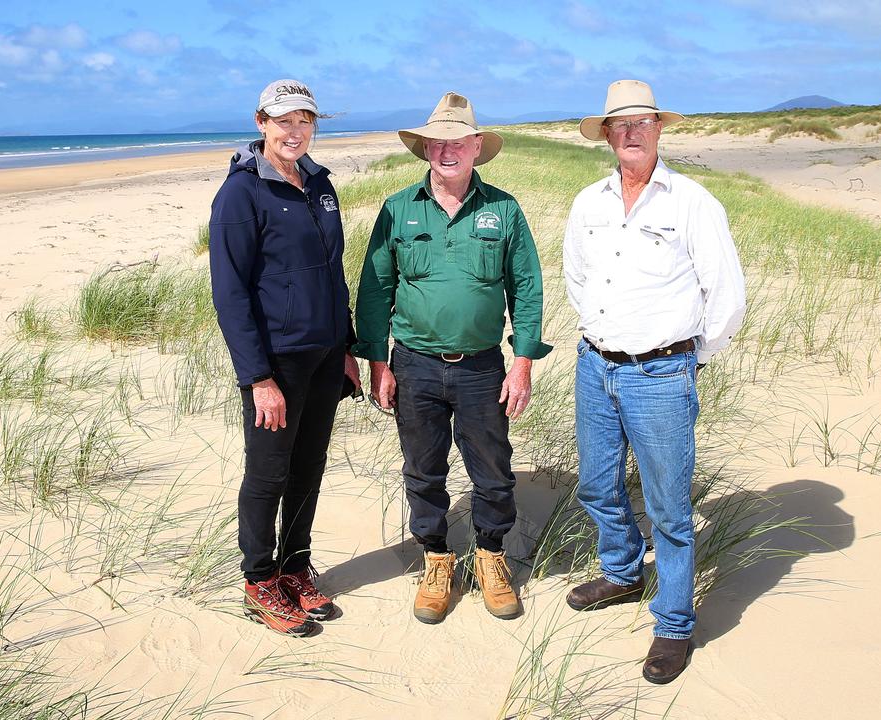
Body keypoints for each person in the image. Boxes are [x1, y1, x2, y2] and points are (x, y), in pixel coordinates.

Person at [562, 79, 746, 683]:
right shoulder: (589, 202)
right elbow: (577, 278)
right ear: (608, 135)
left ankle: (673, 623)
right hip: (595, 365)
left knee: (669, 508)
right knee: (595, 482)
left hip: (662, 372)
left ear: (659, 129)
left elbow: (726, 298)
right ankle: (621, 571)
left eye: (643, 122)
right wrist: (600, 334)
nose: (633, 132)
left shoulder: (692, 202)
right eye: (622, 124)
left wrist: (684, 357)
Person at [352, 92, 551, 624]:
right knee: (423, 469)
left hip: (484, 365)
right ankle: (437, 560)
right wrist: (377, 360)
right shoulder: (397, 208)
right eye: (438, 141)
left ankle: (490, 556)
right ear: (425, 149)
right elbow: (375, 288)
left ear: (476, 146)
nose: (448, 150)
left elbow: (526, 287)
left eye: (458, 141)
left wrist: (523, 361)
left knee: (493, 470)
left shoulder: (503, 209)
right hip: (413, 364)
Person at [209, 79, 361, 637]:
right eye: (284, 120)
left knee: (309, 467)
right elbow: (230, 294)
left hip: (323, 358)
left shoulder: (320, 184)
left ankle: (296, 566)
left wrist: (345, 346)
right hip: (275, 362)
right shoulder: (240, 193)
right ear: (261, 123)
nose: (295, 131)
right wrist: (257, 378)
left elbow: (333, 272)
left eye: (305, 121)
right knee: (268, 472)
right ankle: (259, 580)